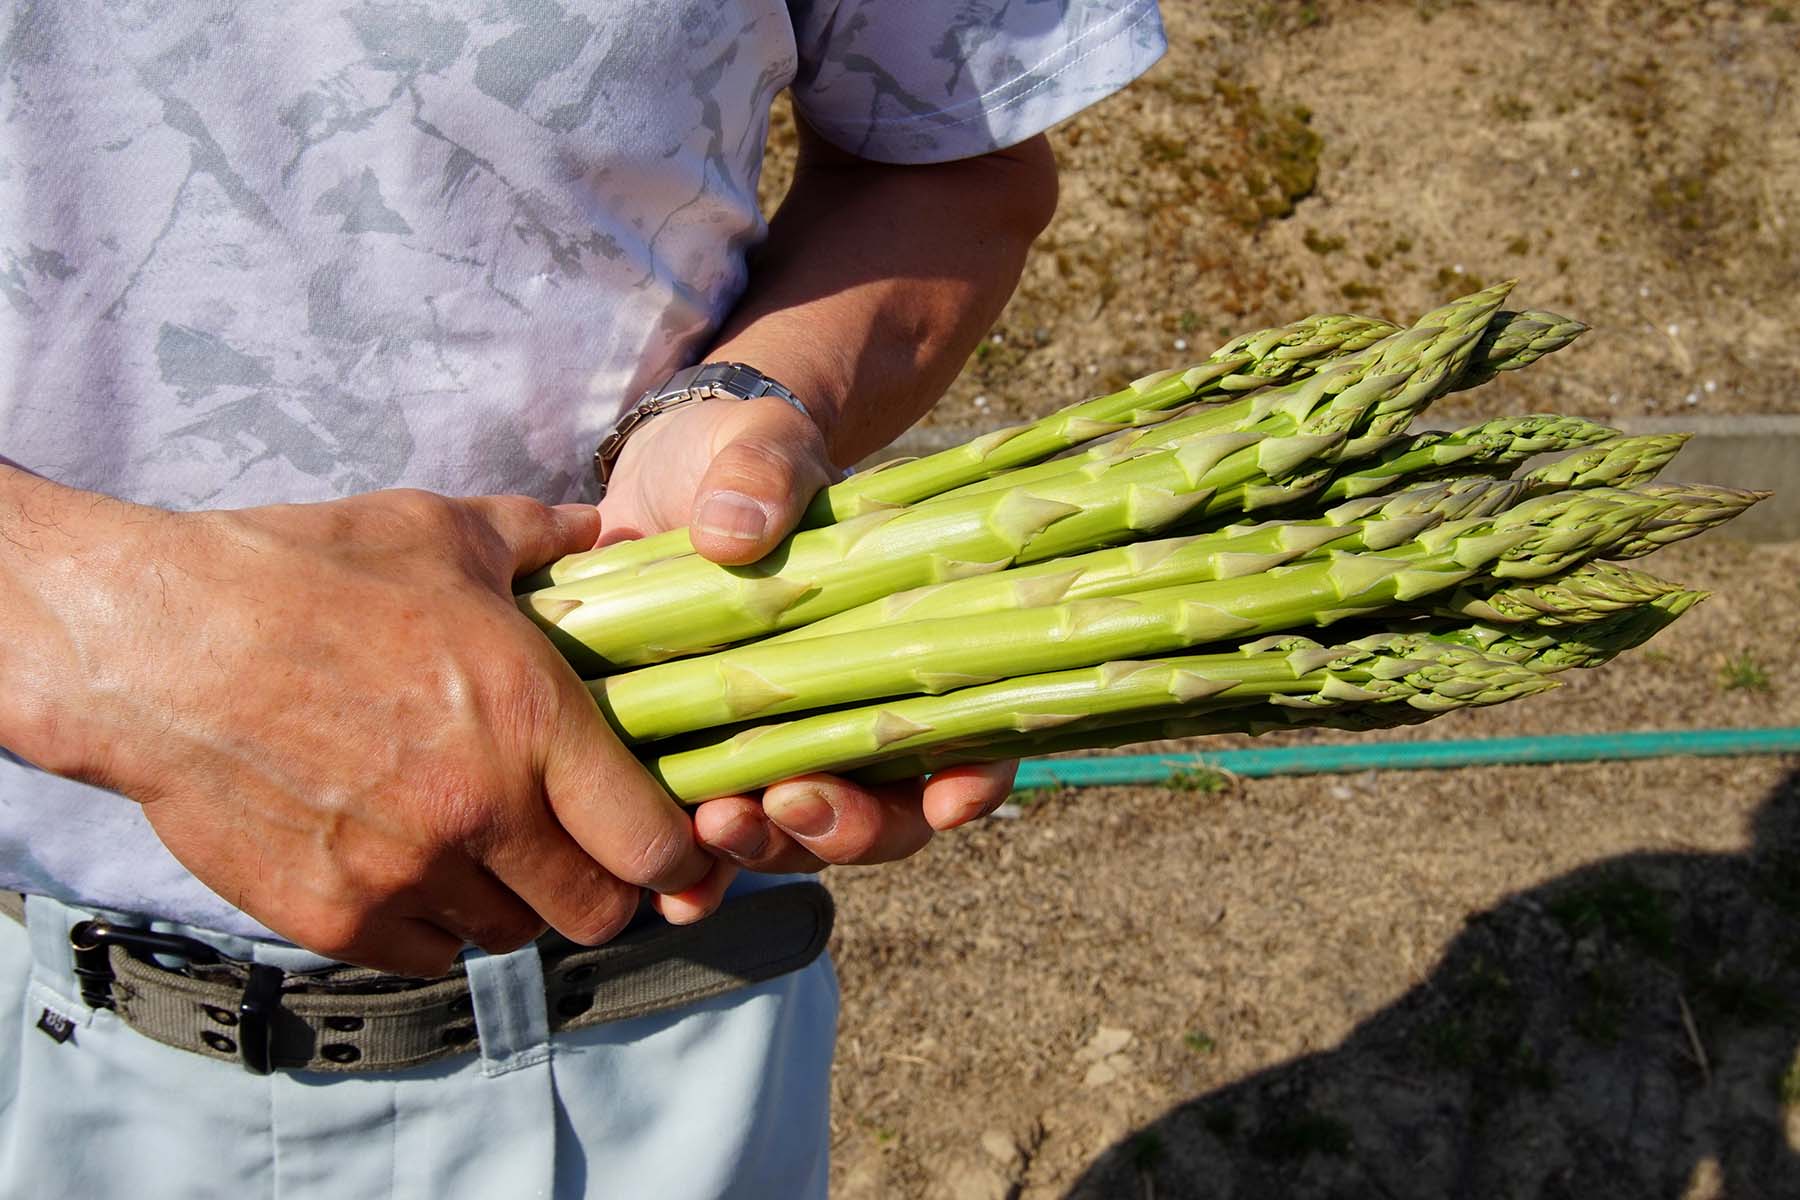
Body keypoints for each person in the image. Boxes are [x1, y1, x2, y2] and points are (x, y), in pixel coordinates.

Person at [0, 2, 1166, 1195]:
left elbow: (955, 161)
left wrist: (752, 401)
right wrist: (136, 654)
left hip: (680, 1019)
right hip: (85, 1047)